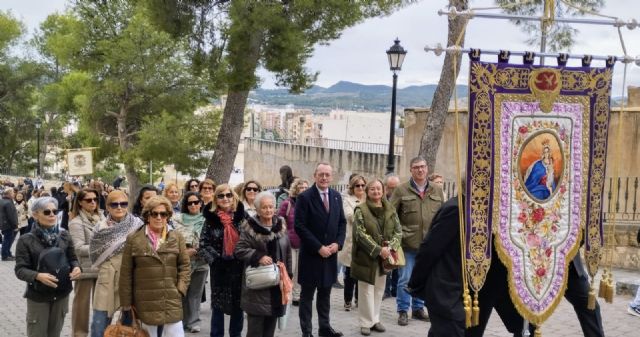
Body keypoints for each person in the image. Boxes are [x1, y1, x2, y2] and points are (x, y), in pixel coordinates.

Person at [119, 196, 191, 337]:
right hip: (145, 301)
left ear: (168, 216)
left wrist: (180, 289)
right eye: (154, 213)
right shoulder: (134, 239)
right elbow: (126, 274)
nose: (159, 217)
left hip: (170, 299)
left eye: (163, 214)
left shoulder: (177, 237)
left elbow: (185, 266)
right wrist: (126, 304)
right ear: (147, 215)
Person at [14, 196, 82, 337]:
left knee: (54, 334)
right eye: (46, 212)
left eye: (54, 211)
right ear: (35, 215)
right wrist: (37, 276)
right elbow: (20, 270)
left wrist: (76, 268)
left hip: (62, 294)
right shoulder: (25, 240)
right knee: (37, 334)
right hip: (38, 296)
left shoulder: (64, 235)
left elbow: (73, 258)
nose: (52, 215)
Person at [294, 162, 347, 337]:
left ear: (332, 177)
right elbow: (300, 226)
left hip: (330, 255)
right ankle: (307, 332)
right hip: (311, 255)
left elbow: (341, 223)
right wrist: (318, 247)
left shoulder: (337, 196)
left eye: (327, 175)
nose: (324, 178)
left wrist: (338, 244)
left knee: (325, 294)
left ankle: (324, 328)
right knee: (307, 297)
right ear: (315, 176)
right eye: (321, 174)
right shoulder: (305, 197)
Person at [390, 156, 444, 325]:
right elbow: (391, 216)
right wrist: (396, 238)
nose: (420, 170)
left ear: (427, 169)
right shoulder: (401, 190)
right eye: (416, 167)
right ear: (411, 170)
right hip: (407, 244)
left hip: (429, 245)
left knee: (424, 278)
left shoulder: (437, 190)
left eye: (422, 167)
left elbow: (442, 216)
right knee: (405, 279)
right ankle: (403, 310)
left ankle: (418, 308)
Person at [235, 191, 293, 337]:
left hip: (276, 285)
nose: (268, 210)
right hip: (258, 286)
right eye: (264, 207)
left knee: (270, 328)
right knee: (255, 330)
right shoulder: (249, 227)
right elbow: (240, 250)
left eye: (271, 207)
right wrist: (258, 256)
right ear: (258, 209)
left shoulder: (281, 225)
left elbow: (287, 252)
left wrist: (288, 276)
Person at [351, 179, 402, 336]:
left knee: (379, 289)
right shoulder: (360, 209)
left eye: (378, 189)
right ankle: (365, 322)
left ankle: (375, 319)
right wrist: (378, 250)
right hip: (366, 256)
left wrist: (390, 248)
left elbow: (398, 231)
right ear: (367, 191)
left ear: (383, 190)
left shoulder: (391, 209)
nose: (376, 191)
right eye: (372, 189)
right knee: (366, 289)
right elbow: (359, 234)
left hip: (385, 257)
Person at [89, 190, 143, 337]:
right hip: (107, 278)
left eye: (123, 204)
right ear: (107, 207)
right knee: (98, 326)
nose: (119, 207)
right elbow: (94, 253)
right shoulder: (100, 228)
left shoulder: (138, 225)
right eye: (114, 204)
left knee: (127, 327)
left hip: (129, 280)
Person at [199, 184, 246, 337]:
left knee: (238, 308)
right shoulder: (210, 220)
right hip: (219, 270)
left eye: (228, 195)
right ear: (216, 199)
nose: (225, 198)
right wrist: (216, 261)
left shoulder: (243, 218)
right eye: (221, 196)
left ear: (233, 197)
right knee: (218, 308)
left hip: (240, 269)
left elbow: (253, 238)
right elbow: (204, 245)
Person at [68, 188, 106, 337]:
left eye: (95, 199)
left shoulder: (103, 218)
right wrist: (103, 247)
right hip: (85, 268)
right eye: (88, 200)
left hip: (102, 266)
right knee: (81, 306)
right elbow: (78, 248)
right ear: (80, 203)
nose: (93, 202)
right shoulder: (76, 222)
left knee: (102, 305)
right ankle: (79, 334)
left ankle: (101, 332)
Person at [173, 191, 208, 333]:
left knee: (195, 294)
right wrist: (185, 252)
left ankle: (194, 322)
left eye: (196, 202)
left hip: (200, 262)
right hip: (182, 261)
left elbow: (210, 239)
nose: (193, 205)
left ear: (201, 203)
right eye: (189, 203)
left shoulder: (207, 220)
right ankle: (182, 321)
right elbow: (173, 239)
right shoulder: (177, 219)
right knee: (182, 291)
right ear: (185, 205)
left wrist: (198, 250)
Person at [277, 178, 309, 306]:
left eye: (306, 187)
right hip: (290, 243)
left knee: (299, 272)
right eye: (301, 187)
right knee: (291, 269)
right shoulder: (287, 203)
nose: (304, 190)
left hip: (304, 243)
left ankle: (296, 296)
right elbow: (279, 220)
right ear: (296, 189)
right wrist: (284, 234)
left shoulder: (309, 204)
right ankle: (285, 292)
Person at [338, 175, 367, 311]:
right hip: (352, 242)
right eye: (357, 185)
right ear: (352, 187)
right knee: (350, 274)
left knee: (362, 274)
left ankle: (359, 299)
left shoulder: (369, 199)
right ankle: (347, 300)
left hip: (367, 242)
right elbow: (350, 216)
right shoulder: (347, 200)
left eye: (362, 185)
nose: (360, 188)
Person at [383, 175, 401, 299]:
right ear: (386, 187)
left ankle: (395, 289)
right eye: (391, 188)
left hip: (397, 234)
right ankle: (385, 290)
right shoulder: (382, 199)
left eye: (396, 188)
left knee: (397, 263)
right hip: (385, 235)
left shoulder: (402, 197)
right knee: (386, 265)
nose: (394, 190)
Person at [1, 188, 18, 260]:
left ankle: (8, 253)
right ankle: (5, 255)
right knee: (7, 240)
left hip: (4, 224)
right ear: (9, 194)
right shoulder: (8, 203)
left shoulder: (2, 201)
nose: (14, 194)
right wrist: (15, 225)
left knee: (7, 240)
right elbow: (11, 216)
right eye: (13, 193)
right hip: (8, 225)